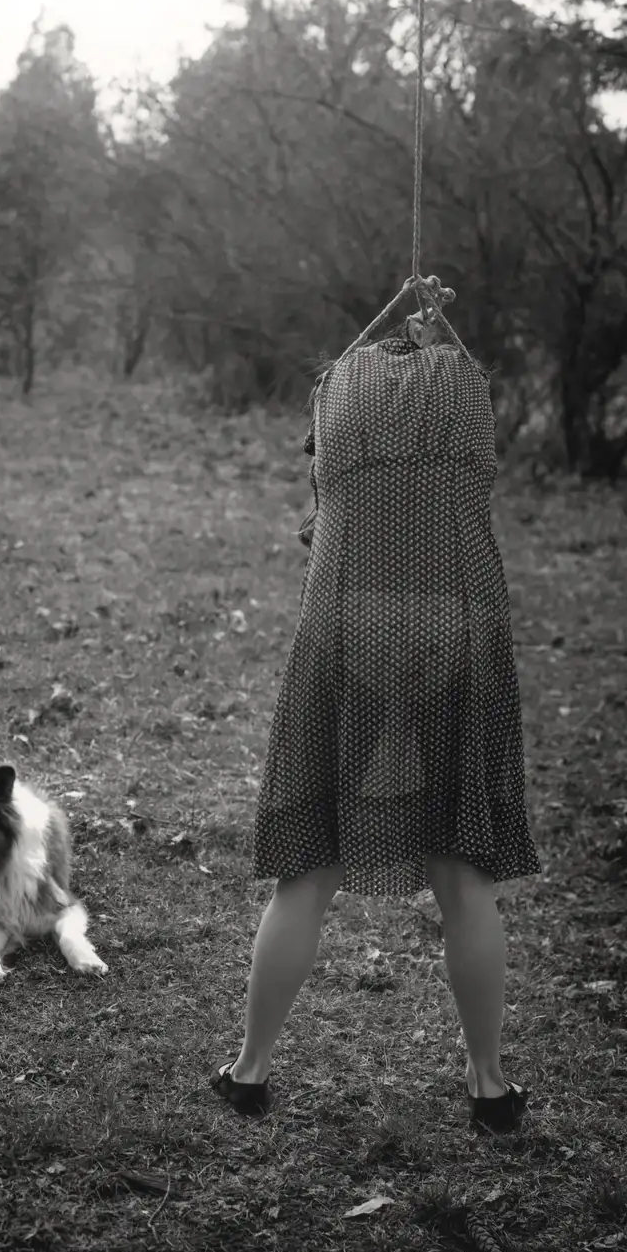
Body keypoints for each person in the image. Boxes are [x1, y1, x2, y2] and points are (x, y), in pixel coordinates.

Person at [212, 278, 540, 1134]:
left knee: (308, 870)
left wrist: (391, 326)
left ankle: (248, 1072)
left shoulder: (334, 399)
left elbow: (319, 512)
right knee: (463, 879)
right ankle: (488, 1085)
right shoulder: (467, 394)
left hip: (347, 625)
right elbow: (473, 452)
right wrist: (437, 328)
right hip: (456, 621)